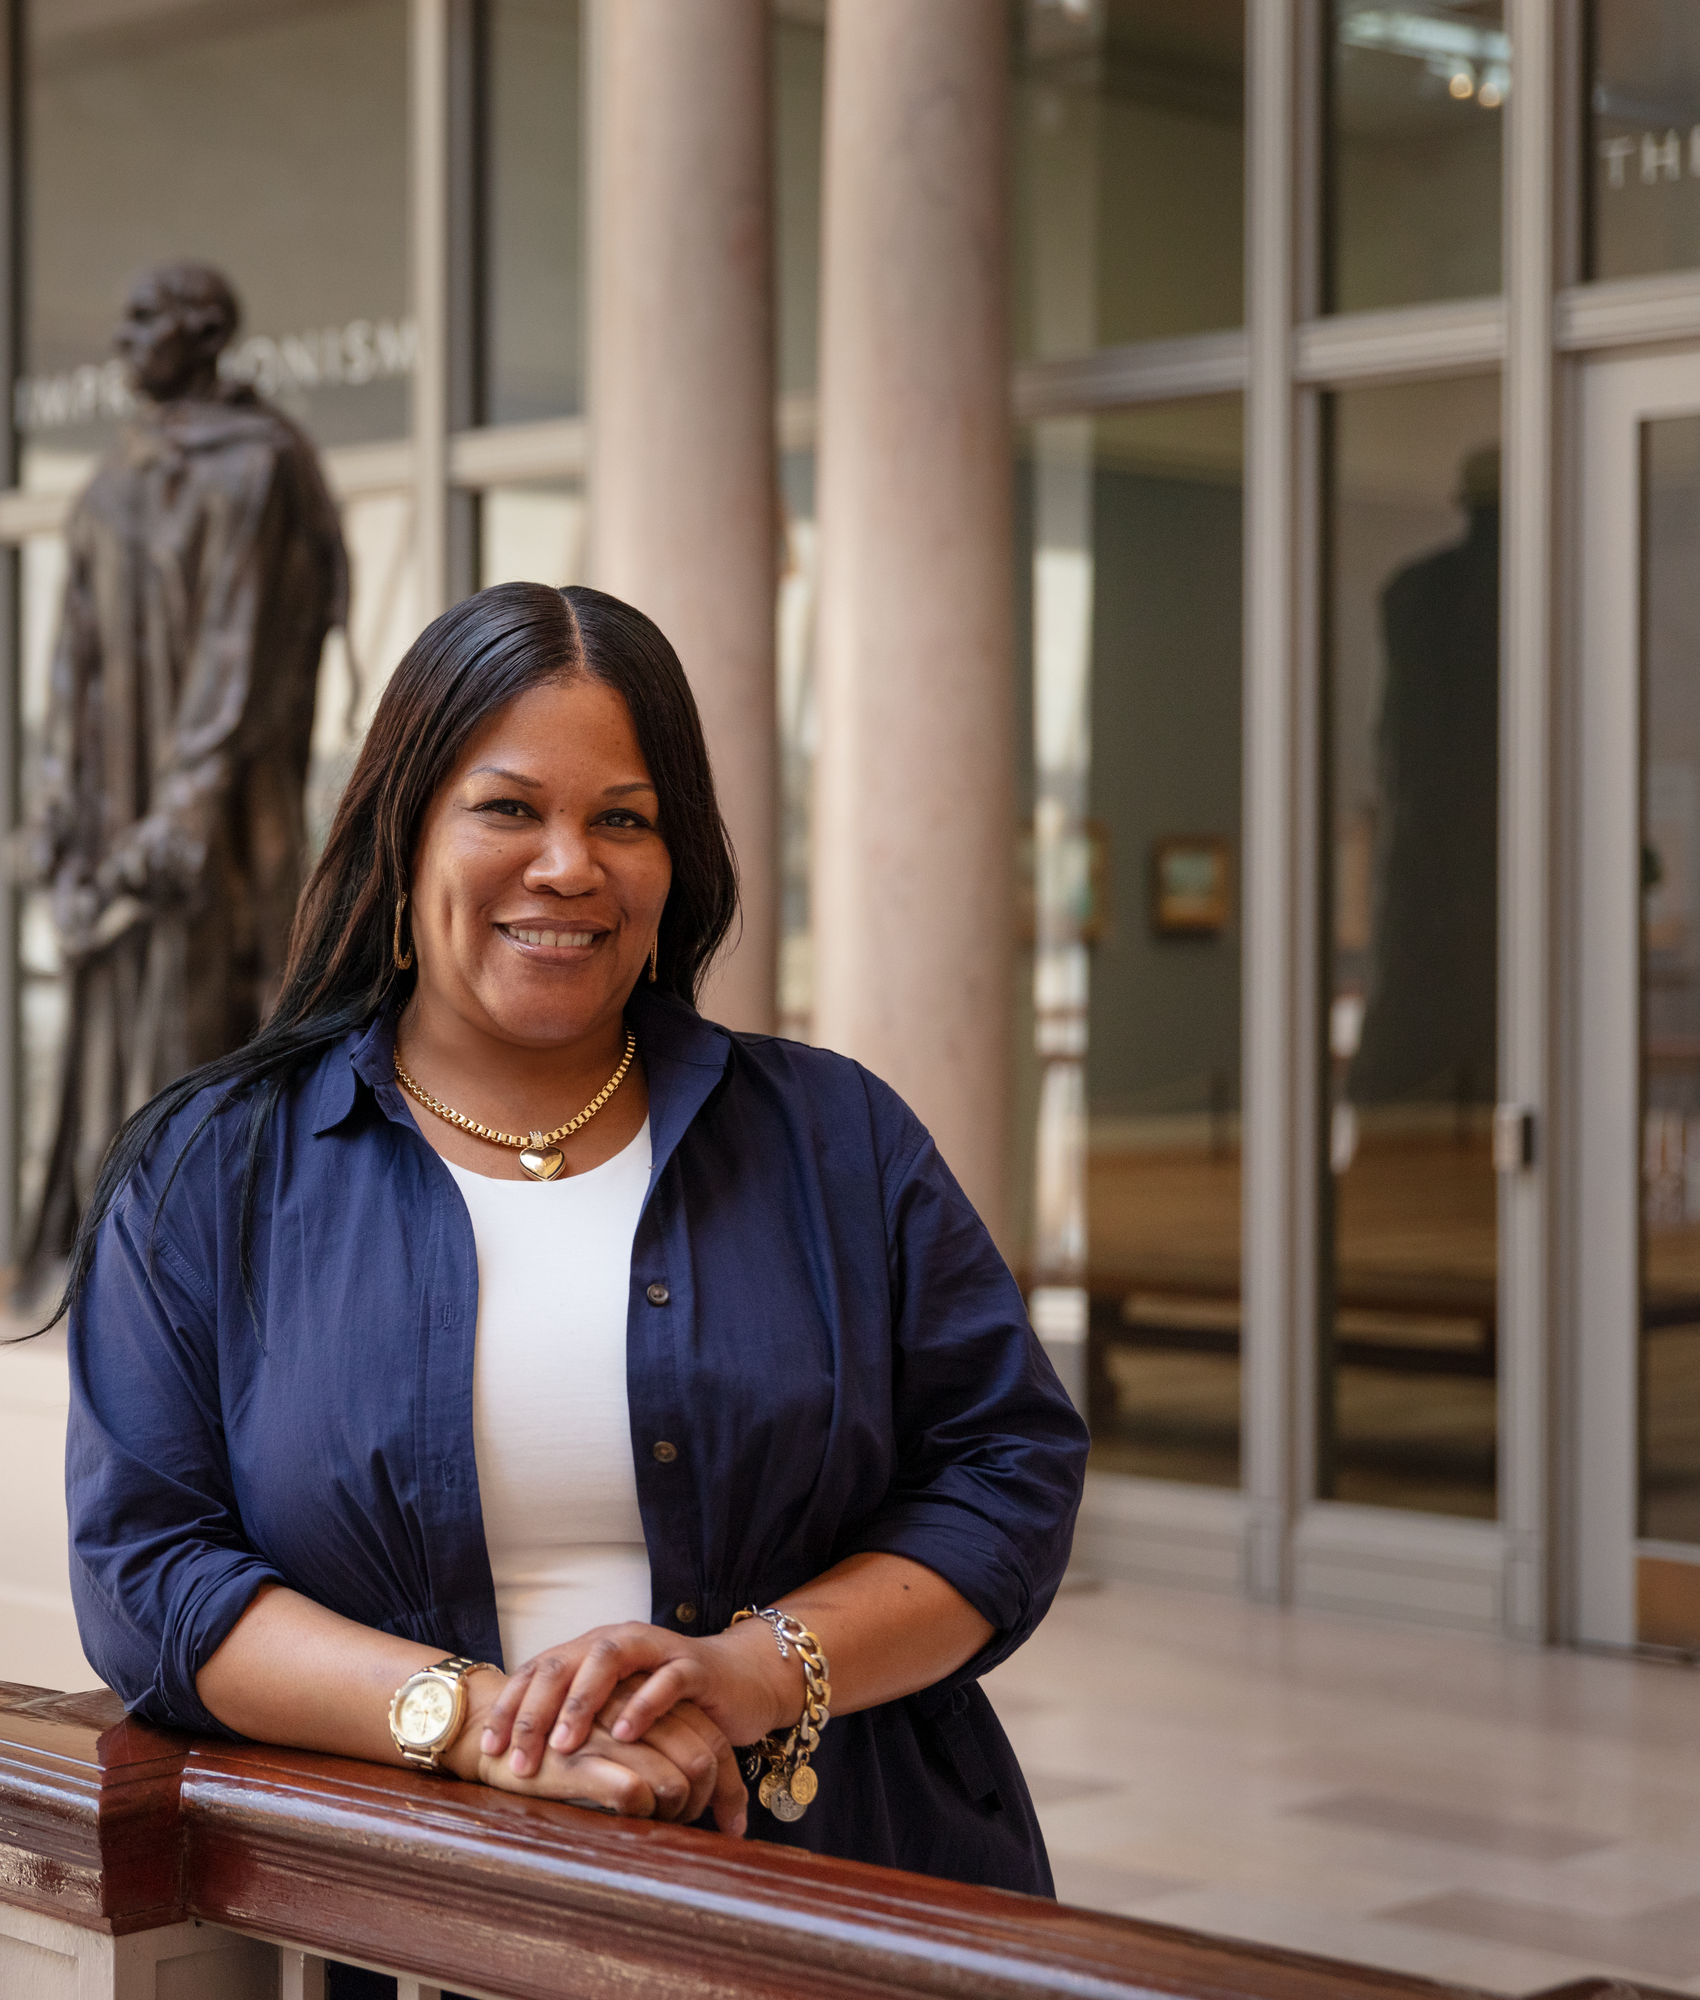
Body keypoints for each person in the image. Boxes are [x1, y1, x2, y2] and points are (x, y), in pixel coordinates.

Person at [61, 582, 1088, 1895]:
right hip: (395, 1910)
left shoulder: (839, 1137)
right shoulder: (214, 1168)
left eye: (624, 819)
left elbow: (1008, 1474)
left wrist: (746, 1677)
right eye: (508, 808)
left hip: (842, 1881)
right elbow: (145, 1572)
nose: (569, 865)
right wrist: (484, 1728)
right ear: (406, 833)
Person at [19, 260, 349, 1286]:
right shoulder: (110, 480)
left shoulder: (258, 465)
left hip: (209, 815)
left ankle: (196, 1274)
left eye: (144, 319)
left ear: (203, 334)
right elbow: (70, 660)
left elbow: (243, 652)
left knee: (202, 1013)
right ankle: (113, 1258)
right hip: (120, 805)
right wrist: (57, 804)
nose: (121, 338)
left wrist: (186, 807)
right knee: (117, 1017)